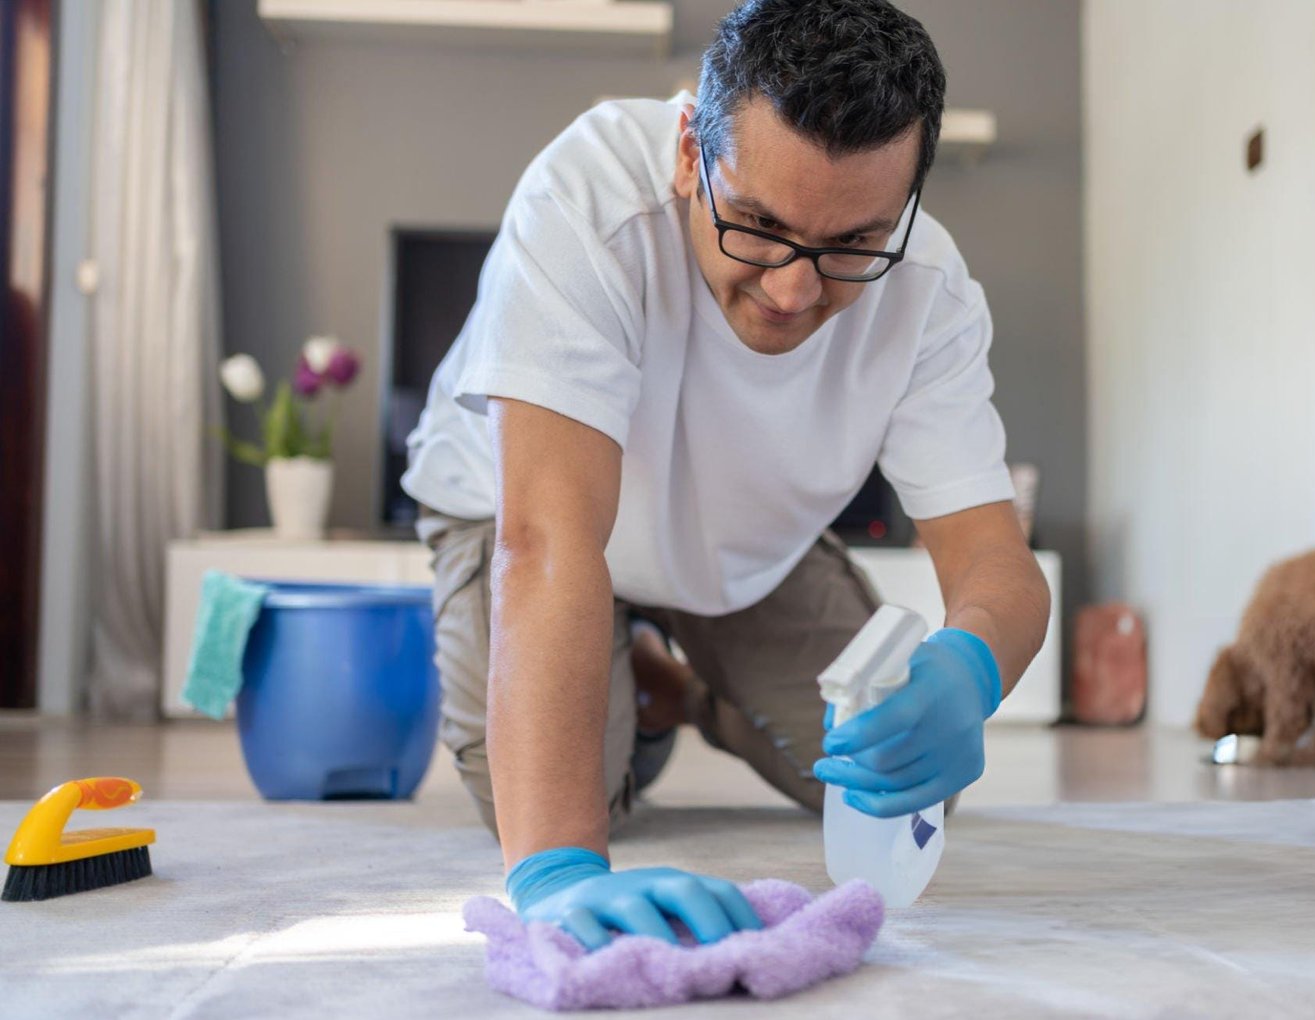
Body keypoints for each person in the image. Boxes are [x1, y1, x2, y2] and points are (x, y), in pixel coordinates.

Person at [401, 0, 1050, 952]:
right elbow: (544, 543)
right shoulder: (583, 205)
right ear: (686, 159)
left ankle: (682, 692)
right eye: (756, 224)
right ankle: (629, 683)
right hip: (526, 513)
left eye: (851, 245)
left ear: (904, 203)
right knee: (536, 796)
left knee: (911, 781)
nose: (792, 291)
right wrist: (557, 871)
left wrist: (973, 665)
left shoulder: (932, 292)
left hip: (746, 539)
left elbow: (997, 562)